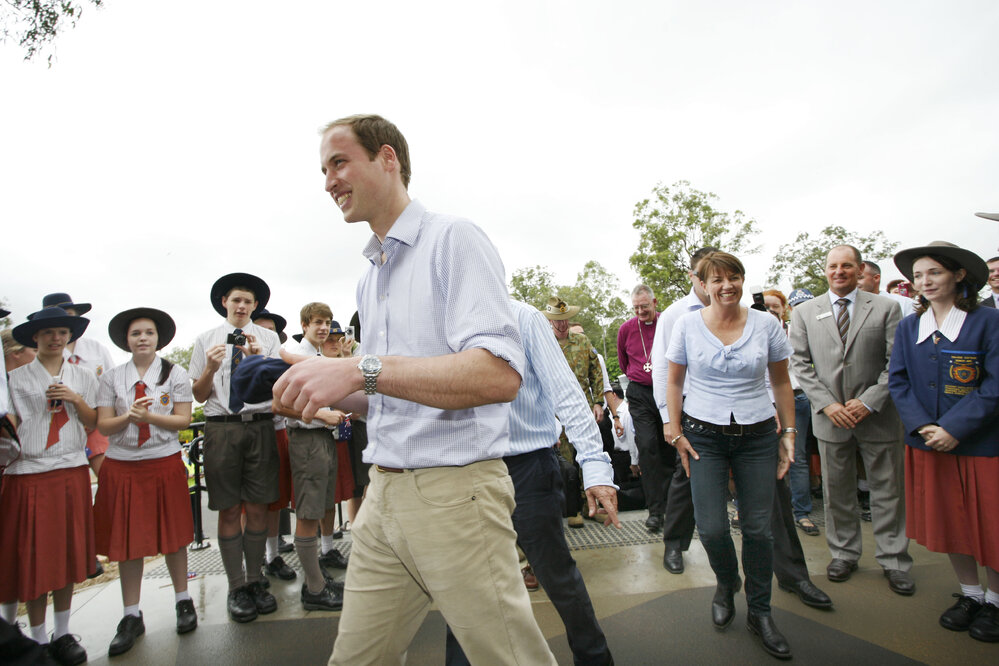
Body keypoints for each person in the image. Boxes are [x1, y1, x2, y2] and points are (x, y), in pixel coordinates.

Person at [274, 113, 556, 665]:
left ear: (387, 158)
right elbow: (386, 389)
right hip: (382, 496)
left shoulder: (453, 239)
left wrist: (358, 370)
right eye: (323, 170)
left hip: (456, 496)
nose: (328, 181)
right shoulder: (370, 273)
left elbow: (497, 374)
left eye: (339, 162)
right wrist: (321, 387)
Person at [444, 298, 619, 666]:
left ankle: (594, 658)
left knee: (554, 572)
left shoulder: (523, 317)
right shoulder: (442, 319)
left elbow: (568, 393)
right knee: (467, 586)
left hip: (528, 468)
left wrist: (596, 468)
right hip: (467, 470)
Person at [665, 251, 796, 660]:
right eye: (716, 279)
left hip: (758, 435)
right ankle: (726, 583)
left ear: (742, 280)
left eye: (734, 277)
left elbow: (781, 381)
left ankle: (760, 611)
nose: (727, 286)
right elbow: (673, 382)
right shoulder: (687, 325)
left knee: (759, 530)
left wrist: (788, 432)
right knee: (712, 528)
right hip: (704, 436)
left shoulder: (766, 323)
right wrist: (675, 431)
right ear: (702, 284)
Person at [888, 241, 999, 642]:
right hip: (929, 443)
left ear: (958, 275)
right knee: (952, 522)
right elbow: (898, 381)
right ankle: (970, 593)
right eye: (918, 276)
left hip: (982, 444)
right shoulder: (908, 327)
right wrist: (923, 427)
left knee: (991, 524)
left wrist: (954, 428)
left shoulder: (988, 322)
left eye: (933, 272)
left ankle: (995, 601)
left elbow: (994, 385)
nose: (925, 281)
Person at [790, 245, 913, 596]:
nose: (839, 271)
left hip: (878, 416)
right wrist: (828, 405)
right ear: (825, 270)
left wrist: (870, 401)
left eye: (847, 266)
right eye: (833, 266)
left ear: (860, 270)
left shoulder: (887, 308)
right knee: (837, 492)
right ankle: (843, 553)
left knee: (888, 492)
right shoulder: (805, 312)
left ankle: (895, 560)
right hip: (831, 419)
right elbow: (800, 365)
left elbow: (897, 362)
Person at [95, 308, 197, 655]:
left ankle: (183, 600)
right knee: (128, 541)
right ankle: (130, 614)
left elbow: (183, 420)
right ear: (126, 339)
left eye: (149, 332)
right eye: (136, 333)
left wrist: (150, 415)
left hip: (163, 461)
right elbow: (104, 426)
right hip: (123, 464)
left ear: (158, 338)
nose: (142, 338)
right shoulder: (112, 377)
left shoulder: (174, 373)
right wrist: (129, 416)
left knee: (174, 536)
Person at [0, 307, 98, 665]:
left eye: (62, 332)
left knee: (67, 553)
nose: (56, 339)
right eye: (48, 333)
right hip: (27, 472)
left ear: (69, 337)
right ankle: (37, 635)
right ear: (35, 338)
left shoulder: (83, 375)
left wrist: (75, 399)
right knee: (33, 555)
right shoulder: (15, 378)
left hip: (70, 468)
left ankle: (63, 630)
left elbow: (94, 422)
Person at [189, 272, 283, 623]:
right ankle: (236, 586)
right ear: (224, 303)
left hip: (259, 427)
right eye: (235, 300)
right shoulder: (205, 340)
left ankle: (256, 579)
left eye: (248, 301)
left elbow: (278, 388)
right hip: (221, 428)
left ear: (256, 305)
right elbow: (198, 396)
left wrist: (260, 361)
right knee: (228, 509)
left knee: (258, 507)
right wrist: (211, 368)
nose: (241, 306)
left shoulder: (269, 339)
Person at [277, 302, 348, 612]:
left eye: (328, 322)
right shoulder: (295, 355)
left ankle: (316, 580)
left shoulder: (318, 357)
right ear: (304, 324)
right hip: (307, 439)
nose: (323, 327)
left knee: (320, 506)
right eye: (318, 322)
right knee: (308, 513)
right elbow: (278, 405)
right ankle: (314, 589)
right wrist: (322, 414)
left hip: (322, 438)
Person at [650, 246, 715, 572]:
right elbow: (662, 370)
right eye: (705, 274)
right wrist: (668, 419)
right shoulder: (676, 315)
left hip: (738, 411)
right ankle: (674, 545)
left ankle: (788, 568)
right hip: (690, 411)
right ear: (693, 276)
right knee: (686, 475)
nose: (713, 281)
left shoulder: (741, 309)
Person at [544, 297, 605, 528]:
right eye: (557, 321)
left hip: (584, 409)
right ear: (550, 321)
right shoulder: (544, 344)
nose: (561, 325)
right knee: (567, 463)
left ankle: (594, 506)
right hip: (557, 412)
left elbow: (596, 373)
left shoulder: (582, 341)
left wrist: (598, 401)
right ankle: (573, 510)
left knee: (591, 456)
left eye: (564, 320)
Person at [618, 285, 672, 535]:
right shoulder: (626, 329)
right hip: (640, 393)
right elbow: (623, 361)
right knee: (648, 445)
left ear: (654, 302)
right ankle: (655, 511)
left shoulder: (668, 323)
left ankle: (675, 507)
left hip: (668, 391)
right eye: (636, 307)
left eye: (645, 306)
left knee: (669, 446)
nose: (640, 311)